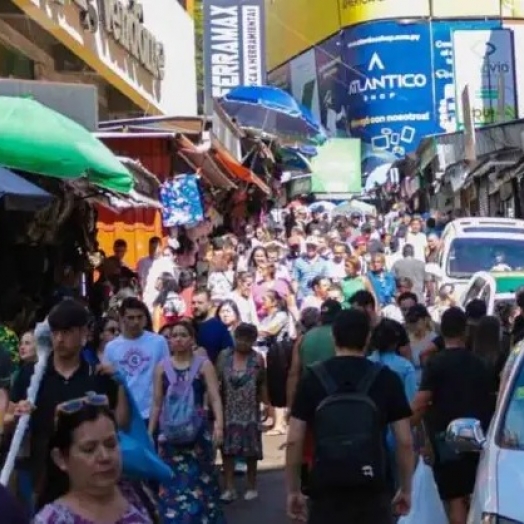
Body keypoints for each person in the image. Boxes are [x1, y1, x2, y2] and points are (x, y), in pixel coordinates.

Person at [286, 308, 414, 524]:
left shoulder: (313, 378)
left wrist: (293, 490)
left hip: (326, 485)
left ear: (334, 336)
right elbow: (405, 441)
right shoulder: (386, 378)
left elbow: (293, 439)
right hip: (373, 485)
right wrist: (406, 488)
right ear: (367, 338)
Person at [9, 299, 128, 510]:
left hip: (91, 477)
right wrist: (17, 415)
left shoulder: (98, 376)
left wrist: (122, 386)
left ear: (83, 334)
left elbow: (122, 424)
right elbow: (8, 420)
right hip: (44, 476)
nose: (59, 339)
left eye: (67, 332)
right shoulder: (31, 375)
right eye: (55, 333)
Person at [411, 307, 495, 524]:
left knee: (455, 498)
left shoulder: (436, 363)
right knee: (475, 490)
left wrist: (406, 425)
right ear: (465, 332)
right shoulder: (480, 364)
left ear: (442, 332)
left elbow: (420, 402)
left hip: (446, 438)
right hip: (479, 436)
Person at [148, 321, 225, 524]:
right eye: (174, 335)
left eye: (184, 335)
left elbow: (215, 396)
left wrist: (219, 424)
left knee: (203, 482)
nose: (179, 339)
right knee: (173, 485)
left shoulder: (204, 365)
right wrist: (150, 432)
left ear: (192, 339)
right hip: (170, 436)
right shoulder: (161, 368)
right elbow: (156, 403)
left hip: (199, 434)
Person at [34, 400, 154, 523]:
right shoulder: (51, 519)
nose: (105, 456)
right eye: (89, 449)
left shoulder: (135, 493)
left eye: (111, 444)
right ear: (60, 458)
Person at [217, 323, 268, 502]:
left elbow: (262, 383)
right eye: (239, 338)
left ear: (253, 341)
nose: (243, 343)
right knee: (227, 451)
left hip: (250, 410)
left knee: (251, 451)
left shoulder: (257, 359)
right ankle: (229, 487)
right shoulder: (224, 356)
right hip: (228, 409)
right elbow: (217, 382)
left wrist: (267, 407)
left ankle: (252, 485)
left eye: (248, 340)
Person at [103, 297, 169, 428]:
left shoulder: (159, 342)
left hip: (153, 413)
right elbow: (108, 382)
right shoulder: (111, 347)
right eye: (131, 318)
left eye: (140, 317)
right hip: (126, 414)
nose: (136, 321)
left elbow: (167, 376)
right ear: (122, 319)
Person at [192, 288, 233, 364]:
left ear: (209, 304)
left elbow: (229, 355)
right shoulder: (188, 326)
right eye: (193, 303)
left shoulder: (219, 328)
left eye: (200, 303)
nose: (196, 306)